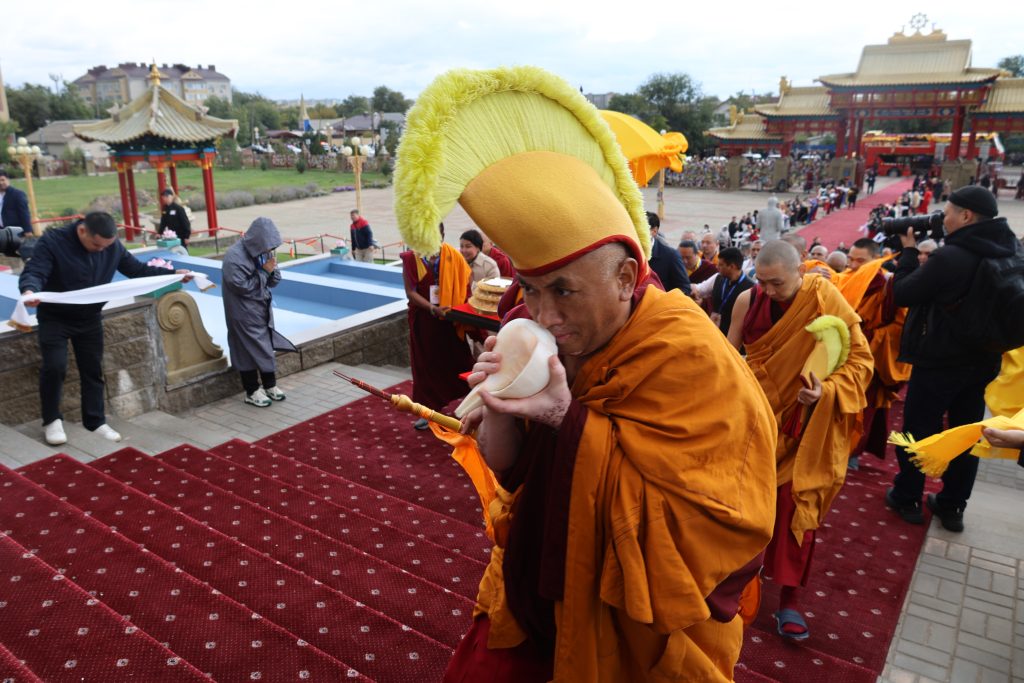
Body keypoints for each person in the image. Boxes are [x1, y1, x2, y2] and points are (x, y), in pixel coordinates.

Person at [394, 65, 778, 682]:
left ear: (626, 278)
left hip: (628, 620)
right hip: (537, 581)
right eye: (531, 288)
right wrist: (500, 402)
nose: (543, 313)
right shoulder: (536, 328)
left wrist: (563, 416)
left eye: (563, 290)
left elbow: (725, 518)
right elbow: (511, 469)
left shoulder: (689, 354)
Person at [727, 240, 873, 641]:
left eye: (777, 283)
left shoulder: (824, 298)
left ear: (800, 271)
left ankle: (789, 599)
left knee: (796, 509)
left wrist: (825, 391)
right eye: (762, 281)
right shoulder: (747, 301)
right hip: (756, 422)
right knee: (743, 506)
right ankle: (737, 583)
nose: (768, 290)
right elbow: (727, 356)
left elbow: (862, 362)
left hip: (804, 426)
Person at [886, 186, 1018, 532]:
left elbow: (903, 293)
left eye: (947, 213)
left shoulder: (951, 257)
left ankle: (907, 496)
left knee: (919, 429)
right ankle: (953, 505)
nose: (942, 218)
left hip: (939, 359)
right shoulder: (1010, 247)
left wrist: (909, 252)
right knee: (965, 433)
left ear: (966, 216)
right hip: (984, 359)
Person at [18, 212, 192, 445]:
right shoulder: (53, 241)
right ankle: (51, 420)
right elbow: (35, 271)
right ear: (82, 231)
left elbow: (137, 270)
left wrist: (172, 275)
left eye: (106, 246)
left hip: (89, 317)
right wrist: (30, 290)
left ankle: (95, 421)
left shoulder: (111, 246)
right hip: (55, 317)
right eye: (96, 245)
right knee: (55, 367)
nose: (101, 250)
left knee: (93, 369)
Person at [841, 238, 911, 469]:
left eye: (860, 261)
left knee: (862, 407)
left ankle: (851, 452)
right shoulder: (844, 279)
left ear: (876, 260)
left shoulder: (888, 286)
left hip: (870, 357)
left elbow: (901, 327)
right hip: (840, 353)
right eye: (850, 259)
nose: (853, 265)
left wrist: (868, 338)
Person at [400, 223, 474, 430]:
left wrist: (457, 308)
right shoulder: (411, 258)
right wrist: (433, 309)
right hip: (425, 320)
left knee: (460, 360)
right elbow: (410, 292)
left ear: (442, 235)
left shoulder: (453, 256)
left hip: (450, 319)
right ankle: (427, 411)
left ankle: (472, 404)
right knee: (425, 366)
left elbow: (466, 283)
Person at [222, 217, 294, 407]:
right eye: (268, 246)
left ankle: (270, 385)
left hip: (261, 310)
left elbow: (273, 281)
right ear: (257, 240)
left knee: (265, 347)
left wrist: (272, 269)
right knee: (246, 350)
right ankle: (252, 390)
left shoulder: (264, 252)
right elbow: (241, 287)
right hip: (242, 312)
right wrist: (264, 272)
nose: (270, 250)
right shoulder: (234, 257)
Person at [693, 247, 752, 333]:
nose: (717, 267)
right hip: (713, 329)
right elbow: (700, 289)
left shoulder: (750, 288)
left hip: (732, 334)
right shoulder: (718, 277)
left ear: (732, 266)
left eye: (720, 265)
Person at [645, 211, 691, 295]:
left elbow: (684, 288)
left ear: (654, 231)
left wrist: (665, 299)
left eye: (641, 229)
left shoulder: (670, 256)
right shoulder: (628, 252)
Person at [0, 168, 32, 233]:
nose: (0, 183)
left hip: (15, 231)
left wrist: (28, 230)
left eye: (3, 180)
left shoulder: (17, 194)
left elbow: (24, 213)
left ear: (8, 180)